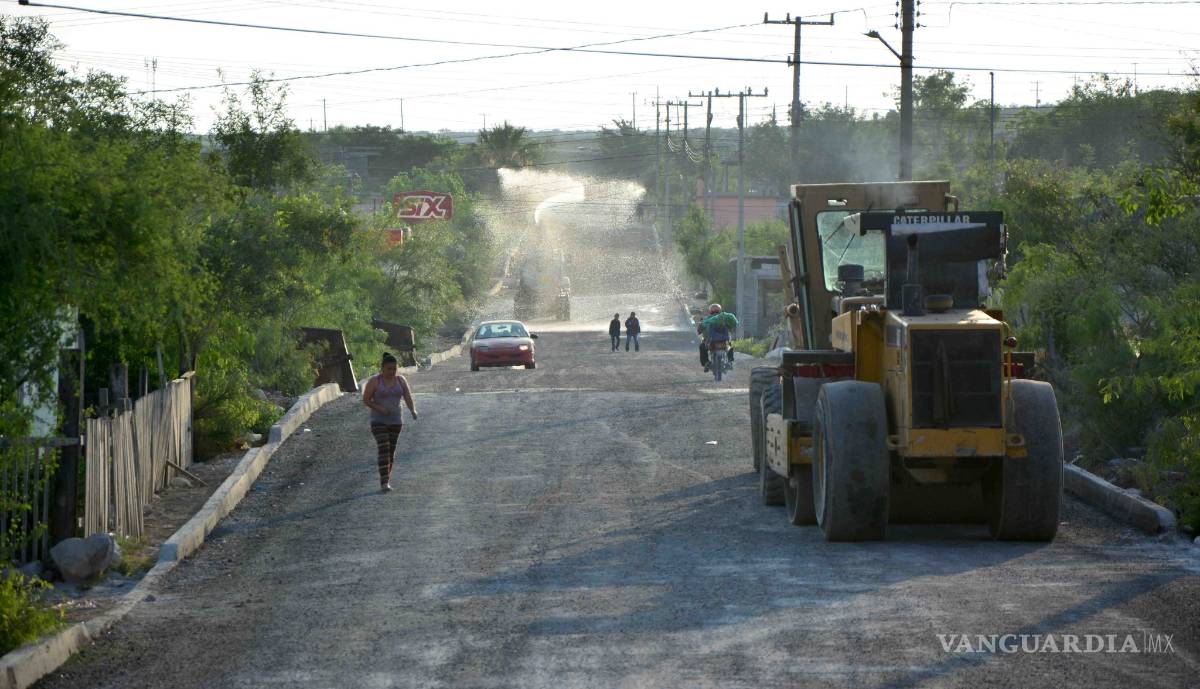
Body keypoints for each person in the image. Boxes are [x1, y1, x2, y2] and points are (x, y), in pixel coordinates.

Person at [362, 352, 417, 492]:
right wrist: (379, 408)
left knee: (391, 451)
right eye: (389, 369)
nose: (392, 372)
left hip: (396, 421)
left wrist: (412, 410)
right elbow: (366, 399)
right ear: (382, 368)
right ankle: (384, 482)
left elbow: (407, 396)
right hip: (378, 420)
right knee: (384, 448)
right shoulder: (375, 381)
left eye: (394, 368)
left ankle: (387, 478)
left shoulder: (401, 380)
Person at [699, 304, 739, 371]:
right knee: (729, 346)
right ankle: (730, 361)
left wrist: (700, 331)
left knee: (702, 346)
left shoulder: (707, 319)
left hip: (710, 340)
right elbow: (732, 326)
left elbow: (700, 328)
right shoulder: (725, 318)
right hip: (724, 340)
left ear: (710, 311)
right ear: (720, 310)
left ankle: (706, 362)